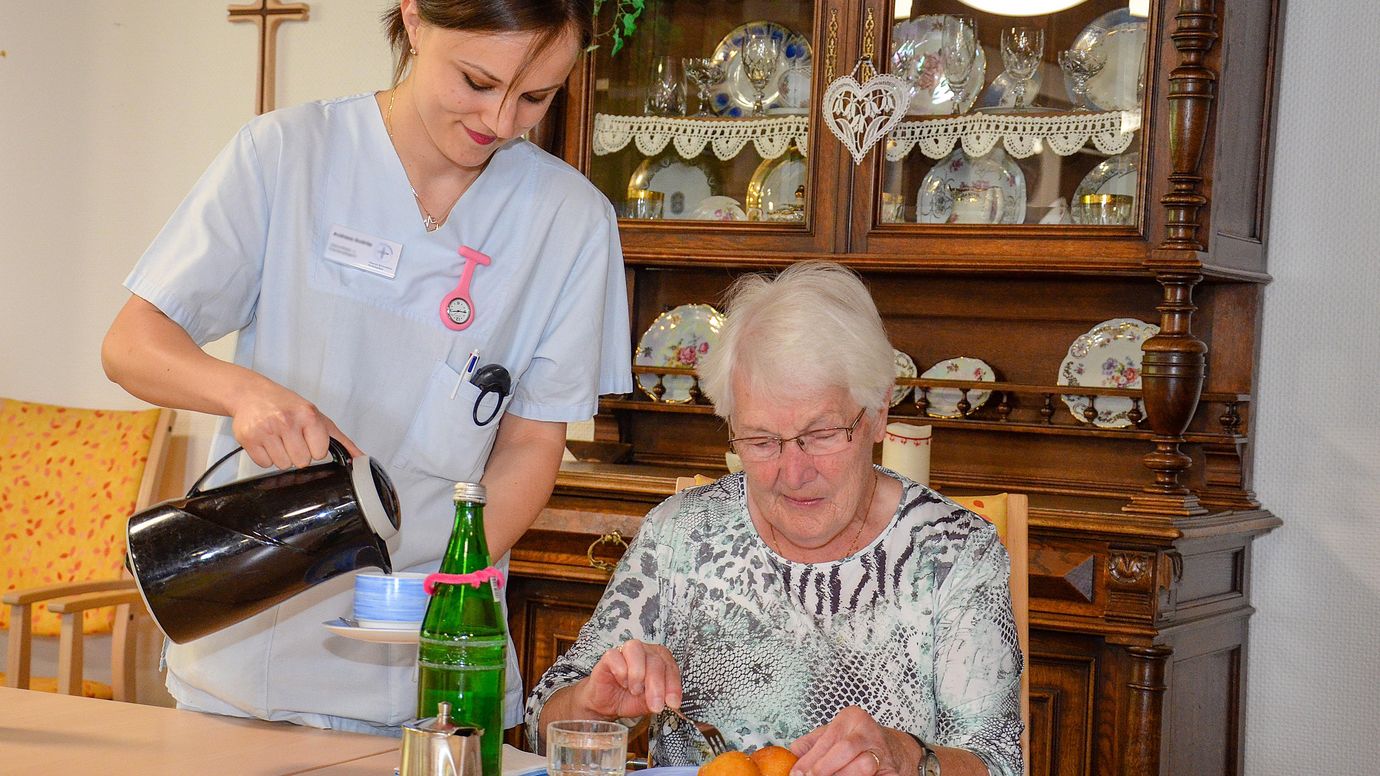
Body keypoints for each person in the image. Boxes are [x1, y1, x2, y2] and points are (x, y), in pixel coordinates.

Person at [101, 0, 630, 735]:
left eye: (535, 96)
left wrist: (443, 591)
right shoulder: (289, 154)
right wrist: (244, 393)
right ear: (413, 19)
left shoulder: (571, 223)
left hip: (430, 671)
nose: (502, 120)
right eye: (477, 80)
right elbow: (131, 343)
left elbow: (531, 446)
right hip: (249, 663)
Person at [526, 262, 1023, 776]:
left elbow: (1001, 764)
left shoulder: (953, 552)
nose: (793, 473)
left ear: (876, 412)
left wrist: (911, 759)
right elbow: (544, 715)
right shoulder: (683, 533)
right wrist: (593, 704)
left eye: (823, 433)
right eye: (761, 441)